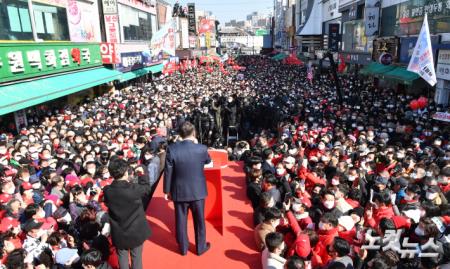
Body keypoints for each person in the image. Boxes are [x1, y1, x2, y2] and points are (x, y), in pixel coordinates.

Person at [163, 121, 211, 256]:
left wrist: (167, 190)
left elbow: (168, 171)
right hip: (197, 191)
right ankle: (200, 248)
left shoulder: (172, 148)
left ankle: (183, 249)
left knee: (180, 221)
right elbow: (208, 161)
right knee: (199, 221)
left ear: (179, 134)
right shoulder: (201, 148)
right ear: (194, 132)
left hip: (179, 191)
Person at [103, 158, 151, 269]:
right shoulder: (133, 189)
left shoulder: (107, 191)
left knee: (122, 257)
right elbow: (147, 188)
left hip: (119, 231)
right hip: (136, 230)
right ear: (125, 172)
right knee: (136, 257)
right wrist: (142, 175)